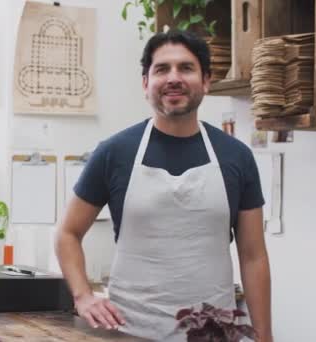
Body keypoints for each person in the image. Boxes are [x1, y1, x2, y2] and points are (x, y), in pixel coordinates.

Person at [54, 30, 273, 341]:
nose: (174, 78)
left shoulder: (236, 157)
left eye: (186, 68)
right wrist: (83, 296)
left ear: (206, 81)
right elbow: (67, 233)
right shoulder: (114, 153)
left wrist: (264, 336)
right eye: (161, 69)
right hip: (128, 331)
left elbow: (253, 256)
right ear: (146, 84)